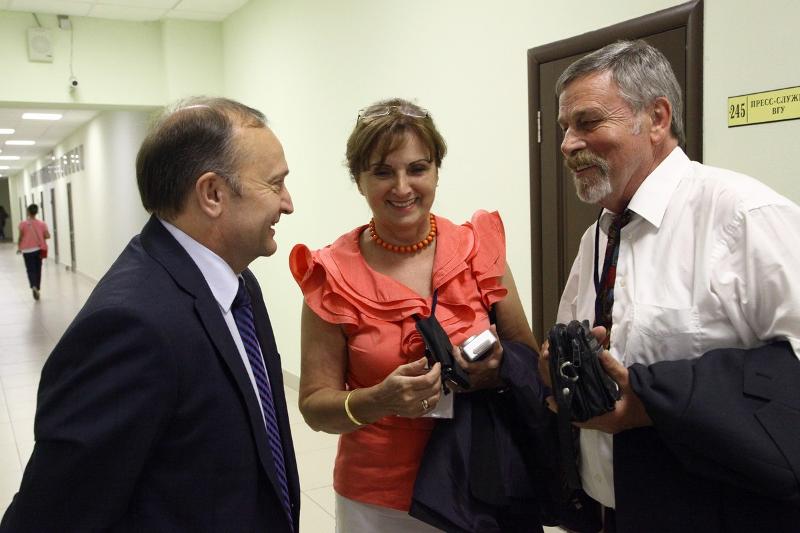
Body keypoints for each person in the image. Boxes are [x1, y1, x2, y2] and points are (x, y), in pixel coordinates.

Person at [1, 97, 300, 531]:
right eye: (275, 184)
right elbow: (51, 517)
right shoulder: (129, 326)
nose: (287, 203)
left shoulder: (239, 283)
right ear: (212, 194)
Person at [540, 40, 800, 532]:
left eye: (588, 122)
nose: (568, 144)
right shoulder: (597, 237)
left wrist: (652, 401)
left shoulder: (744, 216)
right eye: (564, 128)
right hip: (612, 511)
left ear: (657, 118)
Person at [290, 98, 549, 531]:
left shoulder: (478, 250)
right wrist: (381, 400)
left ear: (436, 171)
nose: (402, 187)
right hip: (380, 499)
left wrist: (494, 369)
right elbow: (315, 408)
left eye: (417, 169)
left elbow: (526, 356)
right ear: (358, 180)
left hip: (481, 481)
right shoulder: (331, 274)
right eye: (382, 172)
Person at [17, 203, 50, 300]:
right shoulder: (42, 224)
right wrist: (41, 236)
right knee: (38, 269)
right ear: (36, 212)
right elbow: (47, 235)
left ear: (28, 212)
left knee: (30, 269)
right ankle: (37, 287)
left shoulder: (23, 224)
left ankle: (33, 285)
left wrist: (19, 247)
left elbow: (20, 237)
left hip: (27, 251)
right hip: (38, 249)